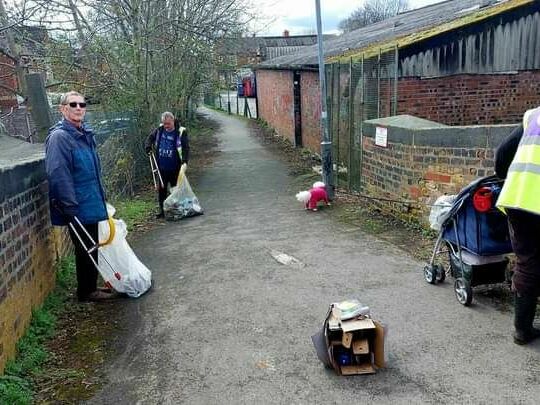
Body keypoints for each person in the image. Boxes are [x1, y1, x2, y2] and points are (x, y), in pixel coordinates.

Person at [45, 91, 114, 302]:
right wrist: (69, 205)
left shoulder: (83, 134)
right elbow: (58, 173)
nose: (78, 108)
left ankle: (90, 286)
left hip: (89, 199)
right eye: (72, 104)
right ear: (62, 109)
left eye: (82, 104)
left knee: (91, 244)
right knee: (84, 247)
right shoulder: (60, 137)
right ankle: (86, 291)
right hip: (76, 204)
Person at [496, 112, 540, 345]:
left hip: (519, 197)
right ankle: (523, 329)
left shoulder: (534, 115)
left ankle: (522, 329)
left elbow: (502, 153)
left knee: (528, 261)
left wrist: (509, 180)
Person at [145, 111, 190, 218]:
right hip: (161, 167)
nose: (166, 126)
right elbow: (150, 138)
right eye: (164, 123)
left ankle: (177, 209)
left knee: (175, 190)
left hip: (175, 167)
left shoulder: (180, 132)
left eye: (168, 124)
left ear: (173, 121)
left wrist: (184, 161)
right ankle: (162, 210)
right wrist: (148, 146)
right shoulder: (160, 130)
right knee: (161, 190)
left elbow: (185, 148)